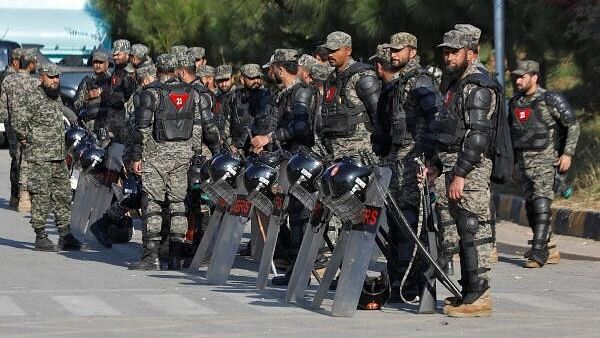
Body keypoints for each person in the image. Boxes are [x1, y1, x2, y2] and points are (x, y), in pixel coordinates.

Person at [431, 26, 496, 317]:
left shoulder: (477, 86)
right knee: (458, 231)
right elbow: (447, 129)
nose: (448, 56)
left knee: (472, 228)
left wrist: (460, 173)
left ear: (472, 52)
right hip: (450, 165)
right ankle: (467, 292)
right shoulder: (455, 84)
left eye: (454, 51)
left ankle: (480, 295)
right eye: (445, 51)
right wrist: (435, 166)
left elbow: (478, 135)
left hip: (469, 168)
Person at [370, 33, 441, 301]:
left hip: (414, 161)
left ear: (412, 51)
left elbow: (435, 119)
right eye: (391, 50)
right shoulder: (399, 83)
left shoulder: (420, 81)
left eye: (399, 50)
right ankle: (399, 280)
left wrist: (429, 158)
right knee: (397, 225)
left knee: (412, 224)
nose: (393, 55)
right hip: (396, 161)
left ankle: (414, 284)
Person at [128, 54, 202, 270]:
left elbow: (142, 130)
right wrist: (195, 154)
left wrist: (136, 157)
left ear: (158, 69)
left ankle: (151, 256)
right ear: (177, 70)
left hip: (156, 157)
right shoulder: (192, 93)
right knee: (179, 205)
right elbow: (197, 128)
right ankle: (176, 256)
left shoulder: (151, 94)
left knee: (153, 205)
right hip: (183, 157)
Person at [250, 49, 317, 285]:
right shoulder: (284, 94)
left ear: (279, 68)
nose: (270, 73)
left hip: (302, 160)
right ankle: (296, 270)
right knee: (290, 215)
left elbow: (300, 128)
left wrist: (269, 138)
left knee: (300, 215)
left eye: (272, 68)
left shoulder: (301, 93)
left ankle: (302, 273)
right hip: (288, 160)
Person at [509, 60, 580, 268]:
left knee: (541, 204)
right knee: (531, 207)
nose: (519, 80)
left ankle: (538, 253)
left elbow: (573, 125)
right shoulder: (515, 102)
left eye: (523, 76)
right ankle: (549, 246)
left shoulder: (550, 99)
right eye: (517, 77)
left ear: (534, 77)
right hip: (523, 164)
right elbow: (513, 135)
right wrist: (513, 164)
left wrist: (567, 154)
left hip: (545, 161)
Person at [12, 63, 82, 251]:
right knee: (41, 196)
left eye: (57, 77)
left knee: (63, 195)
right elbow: (18, 122)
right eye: (51, 77)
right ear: (41, 77)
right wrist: (28, 140)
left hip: (58, 155)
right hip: (40, 156)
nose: (55, 80)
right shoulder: (32, 97)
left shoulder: (55, 97)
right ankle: (41, 235)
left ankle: (65, 234)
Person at [319, 31, 381, 160]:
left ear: (348, 51)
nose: (330, 54)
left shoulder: (362, 76)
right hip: (335, 153)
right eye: (328, 50)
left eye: (335, 50)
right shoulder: (331, 79)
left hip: (359, 153)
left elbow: (379, 114)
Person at [0, 48, 38, 212]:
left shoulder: (7, 81)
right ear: (30, 64)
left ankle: (15, 196)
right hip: (29, 126)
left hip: (11, 125)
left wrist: (8, 124)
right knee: (26, 160)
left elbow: (2, 109)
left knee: (16, 158)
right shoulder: (35, 83)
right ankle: (24, 198)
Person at [221, 63, 270, 156]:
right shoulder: (234, 96)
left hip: (259, 149)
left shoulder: (267, 96)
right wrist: (226, 142)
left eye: (258, 77)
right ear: (242, 80)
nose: (256, 81)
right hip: (236, 150)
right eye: (252, 78)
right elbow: (227, 122)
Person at [0, 47, 24, 208]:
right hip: (12, 121)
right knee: (17, 157)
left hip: (20, 121)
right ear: (14, 61)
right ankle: (16, 195)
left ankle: (19, 194)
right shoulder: (8, 77)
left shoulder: (16, 75)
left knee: (21, 157)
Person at [74, 50, 111, 129]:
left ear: (106, 64)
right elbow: (76, 104)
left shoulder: (112, 80)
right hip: (91, 124)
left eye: (100, 62)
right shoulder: (87, 81)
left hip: (109, 123)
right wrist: (87, 96)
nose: (98, 65)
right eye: (95, 62)